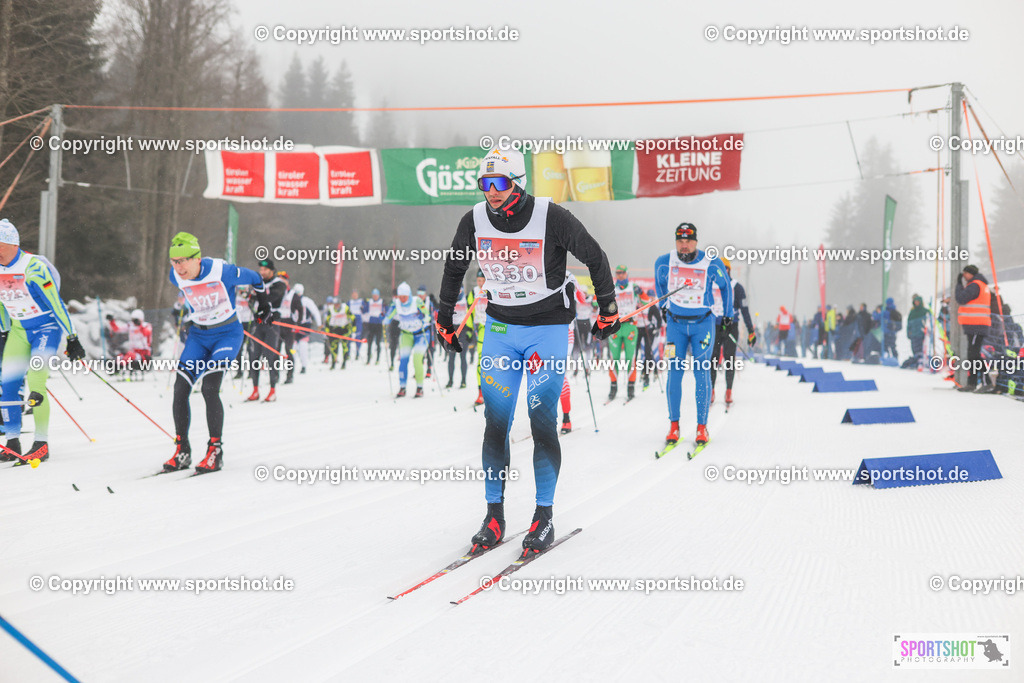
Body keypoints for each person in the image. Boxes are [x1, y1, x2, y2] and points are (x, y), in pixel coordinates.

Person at [434, 147, 617, 555]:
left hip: (547, 329)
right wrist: (444, 319)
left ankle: (543, 516)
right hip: (501, 328)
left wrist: (609, 308)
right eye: (484, 184)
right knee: (495, 423)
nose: (491, 192)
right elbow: (454, 267)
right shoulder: (475, 220)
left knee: (540, 420)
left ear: (518, 182)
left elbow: (594, 256)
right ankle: (494, 516)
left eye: (499, 183)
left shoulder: (551, 216)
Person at [163, 232, 271, 473]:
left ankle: (215, 451)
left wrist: (264, 305)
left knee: (210, 388)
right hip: (199, 337)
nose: (178, 267)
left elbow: (256, 278)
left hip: (227, 335)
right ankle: (182, 451)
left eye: (183, 261)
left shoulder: (222, 271)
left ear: (197, 258)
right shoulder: (175, 276)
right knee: (180, 389)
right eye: (174, 261)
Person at [0, 219, 85, 464]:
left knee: (36, 383)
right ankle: (12, 442)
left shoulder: (34, 267)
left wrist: (72, 337)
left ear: (12, 243)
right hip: (18, 331)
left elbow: (56, 303)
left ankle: (41, 443)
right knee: (8, 385)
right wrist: (4, 332)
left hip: (45, 329)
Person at [654, 222, 732, 447]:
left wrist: (727, 315)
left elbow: (725, 286)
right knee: (674, 374)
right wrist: (663, 306)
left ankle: (701, 427)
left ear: (696, 241)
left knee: (701, 374)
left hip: (702, 326)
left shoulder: (711, 262)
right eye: (680, 240)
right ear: (676, 242)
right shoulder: (664, 262)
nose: (684, 245)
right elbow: (660, 284)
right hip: (675, 327)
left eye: (689, 240)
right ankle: (674, 425)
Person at [710, 259, 755, 406]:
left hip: (731, 326)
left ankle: (728, 390)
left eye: (725, 269)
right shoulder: (711, 286)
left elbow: (745, 311)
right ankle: (711, 390)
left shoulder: (737, 287)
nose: (723, 273)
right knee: (713, 359)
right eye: (719, 270)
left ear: (729, 270)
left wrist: (751, 331)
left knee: (729, 359)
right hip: (715, 327)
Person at [247, 259, 287, 402]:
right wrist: (249, 296)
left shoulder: (279, 284)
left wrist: (255, 295)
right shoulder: (259, 284)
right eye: (261, 270)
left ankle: (272, 390)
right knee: (254, 355)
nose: (262, 272)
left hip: (272, 321)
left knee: (270, 356)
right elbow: (254, 299)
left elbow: (271, 297)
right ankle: (255, 390)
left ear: (271, 270)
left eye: (265, 270)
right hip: (258, 321)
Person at [385, 282, 430, 397]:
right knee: (403, 360)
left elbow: (428, 315)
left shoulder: (417, 301)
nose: (402, 300)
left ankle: (419, 387)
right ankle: (402, 387)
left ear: (409, 295)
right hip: (406, 334)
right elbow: (389, 315)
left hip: (421, 334)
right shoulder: (396, 303)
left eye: (404, 297)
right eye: (400, 297)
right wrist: (385, 319)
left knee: (417, 359)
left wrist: (423, 316)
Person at [607, 265, 642, 401]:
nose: (620, 275)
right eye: (618, 273)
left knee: (630, 358)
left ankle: (631, 387)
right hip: (615, 326)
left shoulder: (633, 287)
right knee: (613, 358)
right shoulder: (611, 287)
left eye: (622, 273)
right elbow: (598, 302)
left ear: (627, 274)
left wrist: (640, 293)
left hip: (630, 326)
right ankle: (613, 387)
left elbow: (646, 301)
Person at [955, 264, 992, 391]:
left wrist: (959, 284)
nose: (964, 276)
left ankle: (986, 382)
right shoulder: (981, 285)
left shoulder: (975, 285)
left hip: (977, 325)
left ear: (970, 273)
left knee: (974, 354)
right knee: (972, 354)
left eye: (965, 274)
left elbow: (961, 298)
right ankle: (973, 383)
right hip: (976, 324)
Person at [289, 284, 322, 374]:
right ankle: (291, 366)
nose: (298, 295)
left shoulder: (306, 301)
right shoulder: (290, 300)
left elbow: (315, 312)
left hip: (305, 325)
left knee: (303, 346)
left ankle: (304, 366)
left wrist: (319, 324)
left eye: (299, 293)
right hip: (294, 325)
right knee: (293, 347)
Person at [446, 286, 471, 389]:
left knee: (462, 356)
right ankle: (450, 380)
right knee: (451, 357)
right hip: (452, 330)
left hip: (463, 329)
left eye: (459, 290)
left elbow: (471, 314)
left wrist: (470, 331)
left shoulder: (466, 299)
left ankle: (463, 381)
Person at [120, 308, 153, 378]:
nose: (134, 322)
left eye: (136, 320)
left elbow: (146, 333)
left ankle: (119, 365)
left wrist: (139, 326)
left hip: (144, 355)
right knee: (122, 355)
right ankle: (116, 366)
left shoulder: (146, 326)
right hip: (133, 353)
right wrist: (111, 321)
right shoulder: (130, 326)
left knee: (131, 355)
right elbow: (117, 329)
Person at [324, 296, 354, 369]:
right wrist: (327, 330)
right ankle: (333, 363)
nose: (336, 306)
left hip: (344, 329)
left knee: (345, 347)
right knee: (334, 347)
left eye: (338, 304)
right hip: (334, 330)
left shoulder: (345, 308)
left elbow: (352, 317)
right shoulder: (330, 309)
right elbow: (327, 320)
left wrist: (353, 328)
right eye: (335, 304)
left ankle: (344, 363)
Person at [904, 294, 930, 369]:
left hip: (922, 334)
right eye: (915, 302)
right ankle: (916, 362)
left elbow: (929, 323)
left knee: (922, 349)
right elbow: (908, 324)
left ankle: (921, 362)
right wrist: (908, 333)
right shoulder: (912, 312)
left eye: (918, 301)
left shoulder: (925, 311)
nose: (916, 303)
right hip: (914, 334)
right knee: (914, 349)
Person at [363, 288, 385, 364]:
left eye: (376, 295)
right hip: (371, 324)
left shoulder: (381, 301)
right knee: (370, 342)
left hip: (378, 324)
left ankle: (377, 359)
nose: (375, 297)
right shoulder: (370, 302)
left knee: (378, 342)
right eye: (374, 295)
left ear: (378, 295)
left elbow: (384, 311)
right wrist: (363, 304)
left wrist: (382, 316)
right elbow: (364, 310)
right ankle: (368, 358)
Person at [348, 290, 364, 362]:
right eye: (353, 294)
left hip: (358, 320)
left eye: (356, 294)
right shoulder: (349, 302)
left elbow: (366, 309)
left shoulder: (361, 301)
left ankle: (357, 353)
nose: (354, 296)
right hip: (351, 320)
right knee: (349, 337)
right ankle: (348, 354)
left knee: (358, 338)